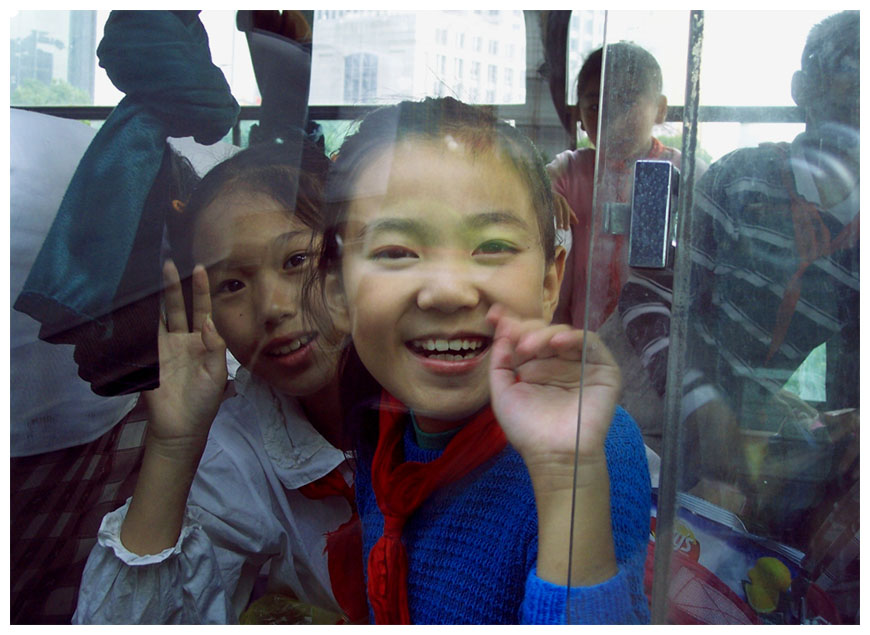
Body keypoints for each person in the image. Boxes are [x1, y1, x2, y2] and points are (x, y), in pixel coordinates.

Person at [310, 97, 651, 624]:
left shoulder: (592, 448)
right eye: (397, 251)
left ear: (548, 282)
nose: (447, 291)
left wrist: (566, 479)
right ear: (337, 292)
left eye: (491, 246)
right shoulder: (381, 431)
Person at [73, 140, 368, 624]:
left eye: (297, 261)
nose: (272, 308)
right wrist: (174, 447)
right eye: (231, 284)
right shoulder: (240, 443)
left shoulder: (442, 398)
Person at [618, 11, 858, 553]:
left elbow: (850, 380)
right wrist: (703, 399)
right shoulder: (738, 180)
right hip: (656, 414)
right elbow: (648, 295)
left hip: (752, 443)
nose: (853, 124)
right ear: (802, 93)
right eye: (844, 98)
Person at [548, 42, 699, 331]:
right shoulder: (569, 171)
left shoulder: (685, 171)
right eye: (595, 107)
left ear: (661, 109)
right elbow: (529, 190)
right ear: (577, 116)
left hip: (657, 338)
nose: (612, 118)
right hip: (580, 341)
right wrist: (542, 199)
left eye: (627, 102)